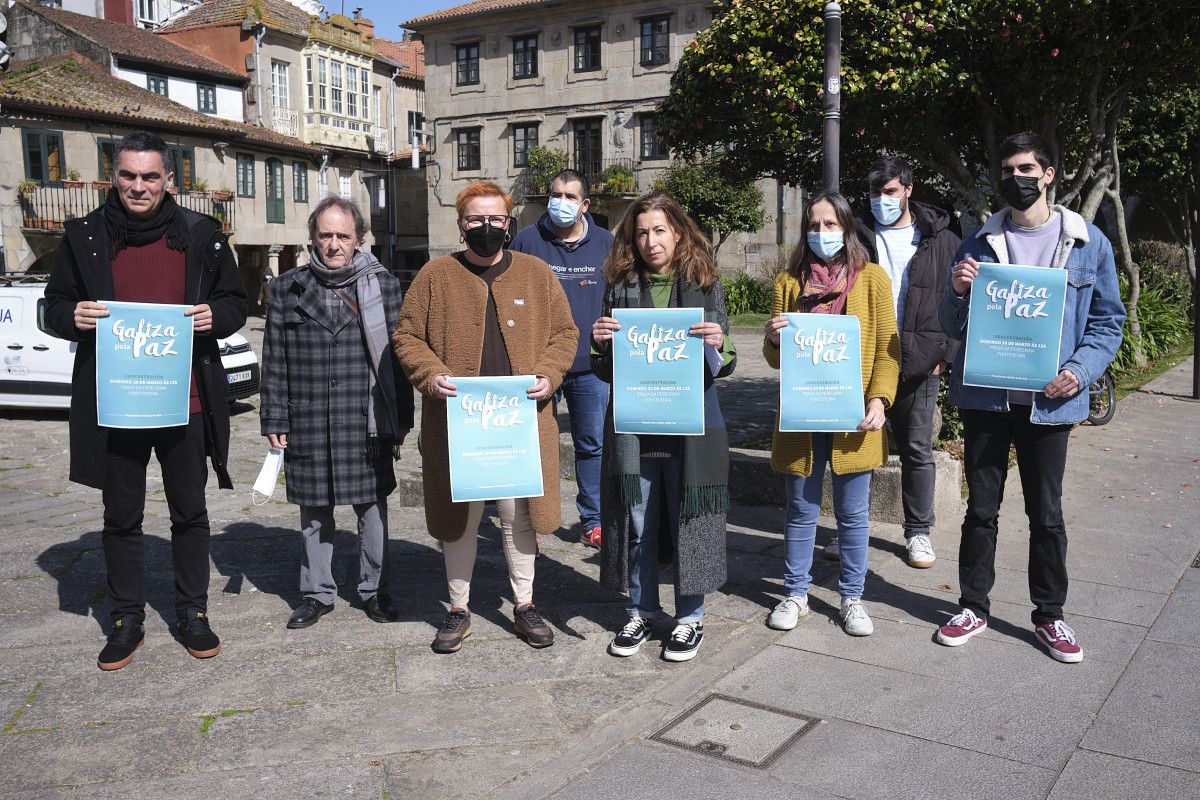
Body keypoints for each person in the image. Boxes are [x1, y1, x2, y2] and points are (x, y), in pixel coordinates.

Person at [44, 131, 248, 670]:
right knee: (122, 516)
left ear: (169, 180)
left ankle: (192, 613)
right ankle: (125, 619)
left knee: (190, 512)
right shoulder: (84, 235)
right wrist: (74, 317)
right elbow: (53, 306)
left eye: (150, 176)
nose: (139, 186)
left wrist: (214, 318)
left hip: (185, 401)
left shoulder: (202, 234)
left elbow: (235, 302)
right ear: (114, 176)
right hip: (116, 403)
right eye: (129, 176)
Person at [936, 131, 1125, 663]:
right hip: (987, 400)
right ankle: (973, 605)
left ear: (1048, 175)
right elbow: (952, 326)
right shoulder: (977, 242)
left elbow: (1108, 322)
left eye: (1025, 170)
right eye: (1007, 171)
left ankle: (1050, 616)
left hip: (1050, 400)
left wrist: (1080, 372)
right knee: (981, 508)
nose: (1015, 180)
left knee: (1047, 513)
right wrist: (957, 291)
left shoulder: (1089, 243)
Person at [393, 181, 577, 654]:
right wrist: (431, 375)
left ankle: (525, 604)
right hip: (459, 424)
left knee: (519, 516)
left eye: (496, 219)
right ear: (461, 225)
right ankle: (458, 609)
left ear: (509, 223)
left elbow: (565, 333)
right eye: (477, 219)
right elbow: (407, 337)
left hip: (522, 422)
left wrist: (551, 374)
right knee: (461, 517)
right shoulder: (435, 276)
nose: (487, 227)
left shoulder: (537, 274)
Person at [591, 192, 737, 663]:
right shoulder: (619, 285)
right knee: (638, 521)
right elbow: (604, 367)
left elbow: (725, 359)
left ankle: (689, 619)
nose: (651, 241)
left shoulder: (705, 282)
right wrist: (601, 343)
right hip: (635, 422)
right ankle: (641, 611)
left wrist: (720, 341)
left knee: (688, 517)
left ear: (677, 232)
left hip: (690, 423)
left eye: (659, 230)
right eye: (641, 232)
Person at [259, 196, 414, 630]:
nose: (333, 244)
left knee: (372, 508)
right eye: (325, 235)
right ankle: (317, 592)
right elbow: (274, 358)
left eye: (342, 236)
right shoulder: (287, 287)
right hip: (308, 415)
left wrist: (402, 418)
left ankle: (374, 589)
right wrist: (274, 418)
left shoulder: (383, 285)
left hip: (365, 418)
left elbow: (398, 359)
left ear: (358, 240)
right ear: (312, 238)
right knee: (313, 510)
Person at [762, 190, 900, 637]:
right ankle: (796, 592)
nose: (822, 233)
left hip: (853, 415)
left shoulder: (873, 279)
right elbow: (775, 358)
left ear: (847, 227)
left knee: (853, 512)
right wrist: (774, 338)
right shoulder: (788, 281)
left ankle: (853, 597)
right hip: (803, 414)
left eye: (831, 224)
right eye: (814, 225)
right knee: (800, 508)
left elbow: (887, 348)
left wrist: (879, 399)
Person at [850, 157, 961, 569]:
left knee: (916, 448)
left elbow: (959, 298)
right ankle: (852, 527)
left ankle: (918, 532)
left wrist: (945, 355)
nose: (882, 200)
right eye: (876, 193)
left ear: (909, 190)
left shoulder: (941, 238)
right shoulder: (855, 235)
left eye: (891, 191)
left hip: (920, 359)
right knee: (859, 445)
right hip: (864, 357)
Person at [510, 169, 613, 549]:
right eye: (556, 195)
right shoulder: (526, 242)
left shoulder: (606, 243)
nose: (562, 203)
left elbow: (619, 294)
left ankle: (593, 521)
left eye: (571, 197)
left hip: (590, 365)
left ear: (585, 204)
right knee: (534, 443)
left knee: (592, 444)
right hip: (537, 365)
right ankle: (532, 520)